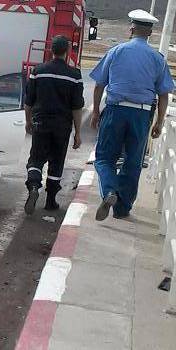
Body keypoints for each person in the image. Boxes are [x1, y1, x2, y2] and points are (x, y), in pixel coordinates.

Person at [90, 9, 175, 221]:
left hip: (116, 110)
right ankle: (122, 208)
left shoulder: (116, 51)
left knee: (104, 157)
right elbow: (164, 95)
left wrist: (95, 112)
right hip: (141, 115)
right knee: (133, 162)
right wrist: (159, 121)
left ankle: (109, 191)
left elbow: (99, 84)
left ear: (131, 29)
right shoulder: (158, 59)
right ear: (150, 33)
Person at [24, 36, 85, 215]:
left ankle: (34, 186)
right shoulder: (75, 76)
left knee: (35, 159)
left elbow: (28, 101)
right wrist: (78, 133)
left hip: (41, 122)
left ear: (51, 50)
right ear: (67, 52)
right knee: (57, 161)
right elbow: (77, 107)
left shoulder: (38, 71)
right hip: (62, 126)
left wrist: (28, 121)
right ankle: (50, 201)